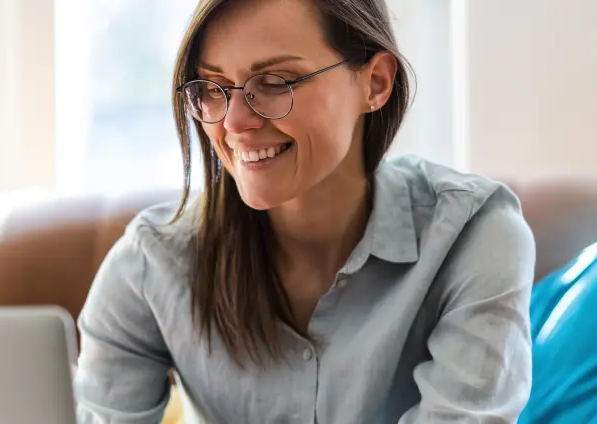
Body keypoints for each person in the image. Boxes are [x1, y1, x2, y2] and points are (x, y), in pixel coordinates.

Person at [73, 0, 535, 422]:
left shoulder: (475, 234)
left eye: (273, 83)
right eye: (213, 88)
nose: (234, 123)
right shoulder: (148, 268)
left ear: (375, 83)